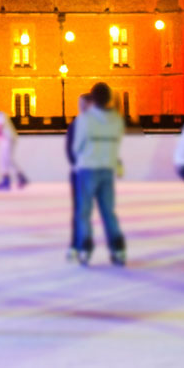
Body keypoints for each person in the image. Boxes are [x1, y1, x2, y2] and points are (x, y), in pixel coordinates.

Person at [72, 82, 126, 266]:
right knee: (108, 211)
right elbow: (117, 142)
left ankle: (85, 246)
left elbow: (77, 146)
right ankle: (117, 247)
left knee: (84, 212)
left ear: (93, 99)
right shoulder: (117, 120)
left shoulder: (85, 119)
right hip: (107, 168)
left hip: (88, 167)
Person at [64, 94, 90, 260]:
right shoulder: (78, 123)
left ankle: (82, 246)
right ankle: (77, 245)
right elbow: (69, 148)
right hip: (82, 172)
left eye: (84, 104)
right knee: (80, 211)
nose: (81, 106)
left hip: (89, 172)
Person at [0, 101, 28, 190]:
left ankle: (9, 180)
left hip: (8, 139)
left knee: (6, 159)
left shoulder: (0, 115)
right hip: (6, 140)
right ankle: (16, 178)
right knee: (5, 159)